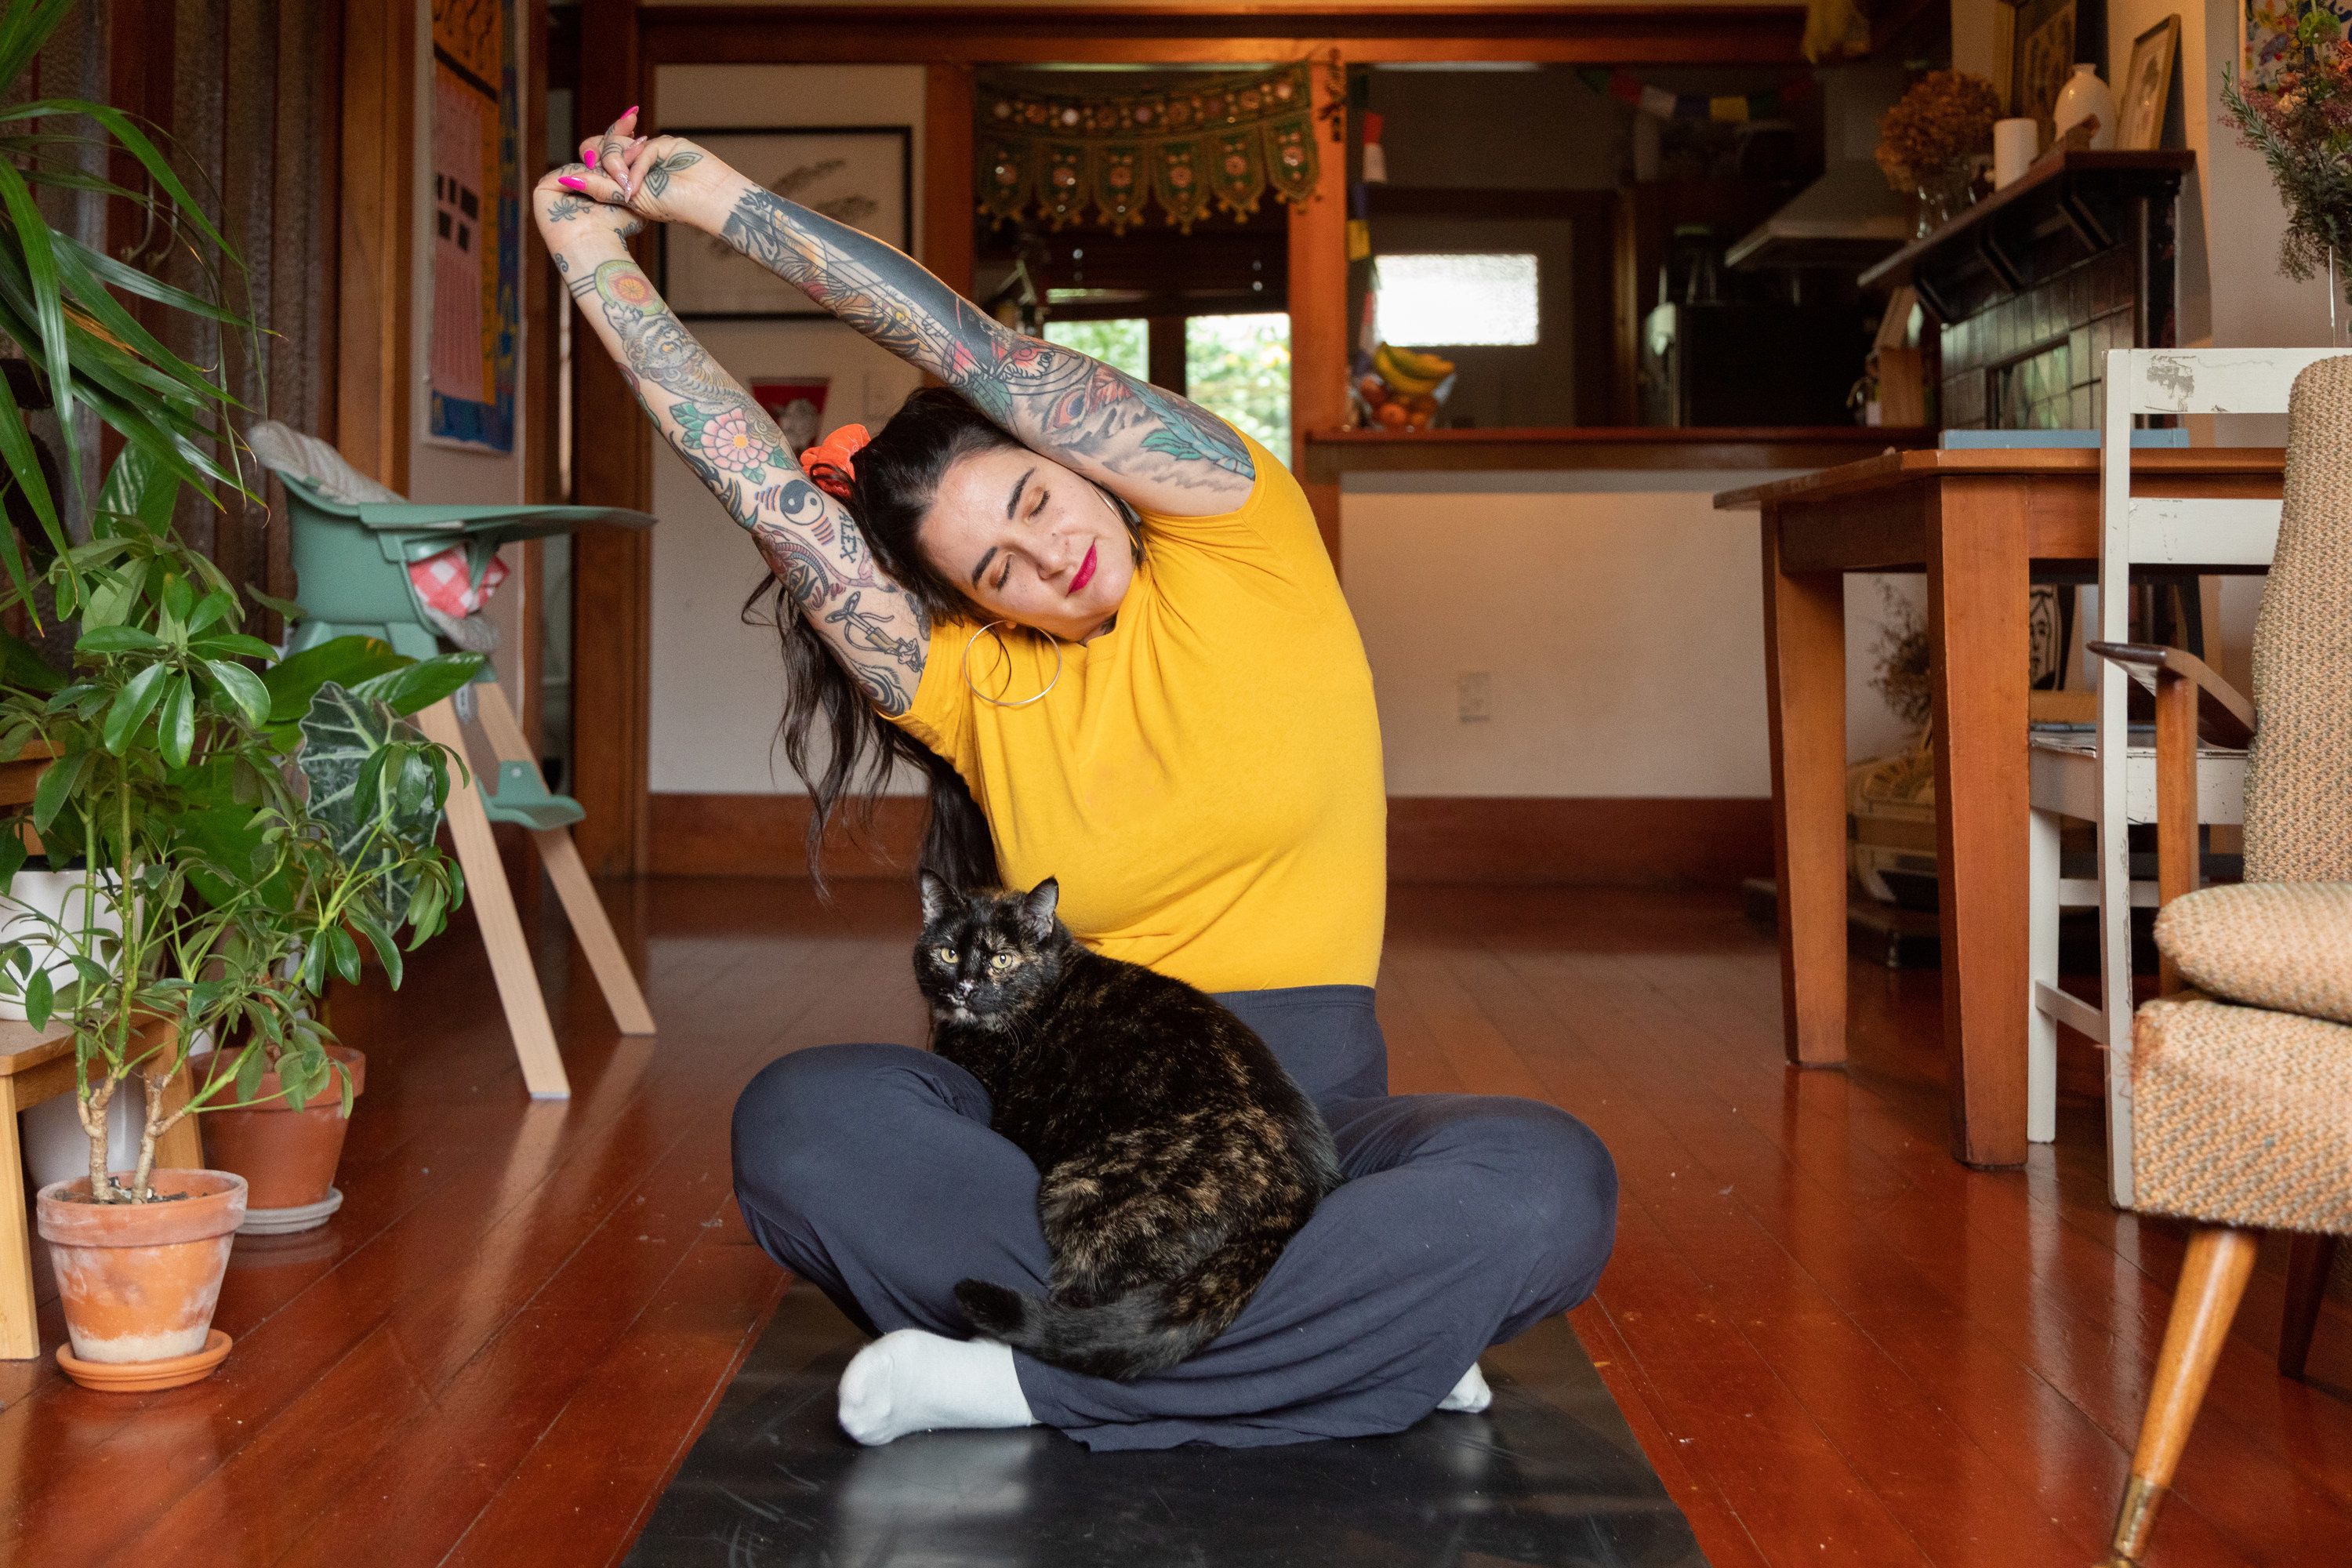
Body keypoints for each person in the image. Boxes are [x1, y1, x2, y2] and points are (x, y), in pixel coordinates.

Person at [536, 110, 1617, 1451]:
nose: (1045, 561)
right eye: (995, 569)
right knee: (802, 1123)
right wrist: (588, 257)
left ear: (1081, 460)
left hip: (1314, 1130)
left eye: (1038, 502)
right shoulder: (976, 686)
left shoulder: (1242, 537)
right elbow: (766, 495)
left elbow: (972, 352)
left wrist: (724, 205)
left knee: (1548, 1179)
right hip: (1074, 1148)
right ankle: (1353, 1348)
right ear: (973, 607)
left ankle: (1028, 1382)